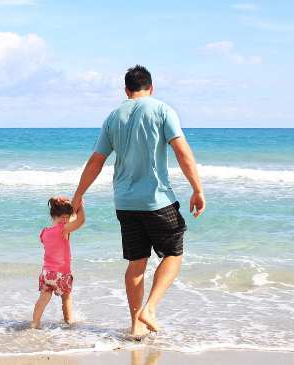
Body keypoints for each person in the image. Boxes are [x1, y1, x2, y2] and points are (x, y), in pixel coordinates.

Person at [71, 65, 205, 338]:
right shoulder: (162, 110)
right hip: (156, 200)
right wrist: (197, 189)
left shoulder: (113, 117)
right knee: (174, 254)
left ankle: (136, 326)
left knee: (136, 263)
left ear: (126, 90)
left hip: (124, 202)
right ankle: (150, 309)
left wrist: (78, 194)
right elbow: (181, 151)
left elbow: (97, 161)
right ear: (151, 88)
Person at [31, 196, 85, 329]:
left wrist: (71, 209)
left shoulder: (44, 232)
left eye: (67, 217)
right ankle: (69, 321)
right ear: (57, 216)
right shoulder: (64, 229)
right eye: (64, 217)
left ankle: (35, 322)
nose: (66, 220)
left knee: (43, 298)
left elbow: (69, 221)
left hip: (46, 274)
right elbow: (80, 220)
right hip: (61, 274)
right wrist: (80, 205)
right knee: (66, 298)